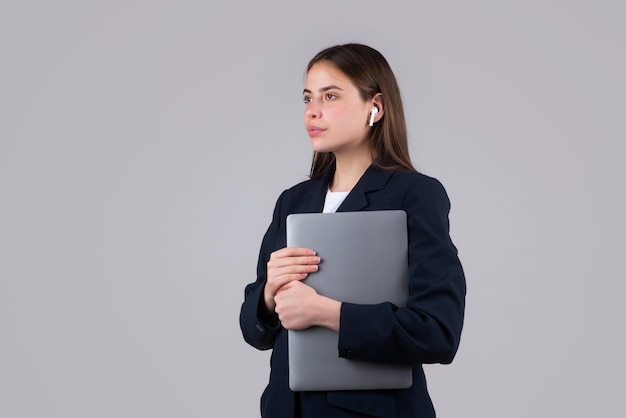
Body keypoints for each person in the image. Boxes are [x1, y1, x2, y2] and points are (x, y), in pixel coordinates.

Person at [239, 43, 466, 418]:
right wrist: (267, 293)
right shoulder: (292, 202)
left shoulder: (415, 195)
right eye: (308, 97)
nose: (312, 111)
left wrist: (325, 312)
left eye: (330, 96)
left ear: (374, 107)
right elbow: (254, 332)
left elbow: (438, 332)